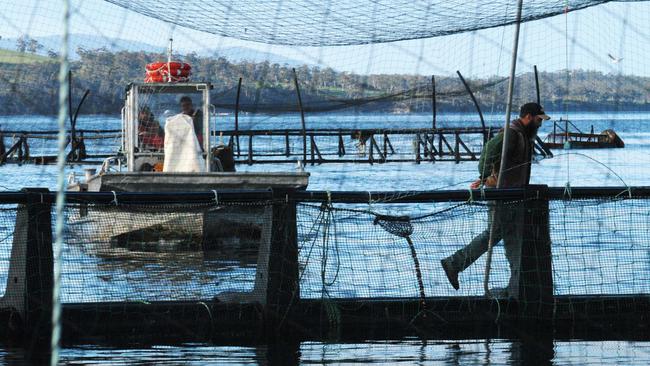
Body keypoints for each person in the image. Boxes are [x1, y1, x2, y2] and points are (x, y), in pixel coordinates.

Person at [440, 102, 550, 298]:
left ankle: (514, 287)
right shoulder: (512, 133)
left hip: (514, 194)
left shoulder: (524, 135)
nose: (540, 123)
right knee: (497, 233)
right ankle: (454, 263)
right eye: (538, 119)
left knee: (514, 239)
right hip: (501, 194)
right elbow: (488, 153)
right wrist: (484, 176)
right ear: (528, 117)